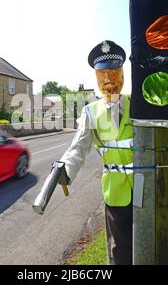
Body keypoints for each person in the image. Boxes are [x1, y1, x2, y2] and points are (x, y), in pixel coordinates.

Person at [56, 40, 134, 265]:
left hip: (146, 187)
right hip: (116, 191)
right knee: (120, 253)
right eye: (103, 75)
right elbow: (79, 146)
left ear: (122, 74)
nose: (109, 80)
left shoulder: (137, 103)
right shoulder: (90, 111)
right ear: (97, 78)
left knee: (149, 245)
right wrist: (66, 170)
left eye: (114, 72)